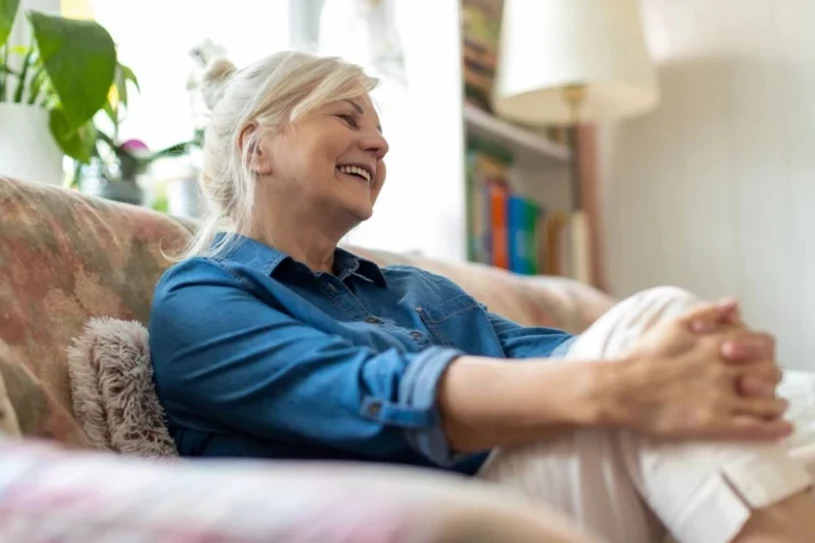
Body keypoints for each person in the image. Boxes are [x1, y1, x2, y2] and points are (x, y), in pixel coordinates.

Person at [148, 51, 815, 543]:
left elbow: (565, 353)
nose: (378, 143)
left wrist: (695, 365)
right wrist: (627, 383)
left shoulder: (418, 290)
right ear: (256, 147)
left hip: (532, 502)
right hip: (419, 520)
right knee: (652, 324)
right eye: (346, 117)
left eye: (378, 130)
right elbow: (370, 392)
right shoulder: (203, 296)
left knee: (780, 394)